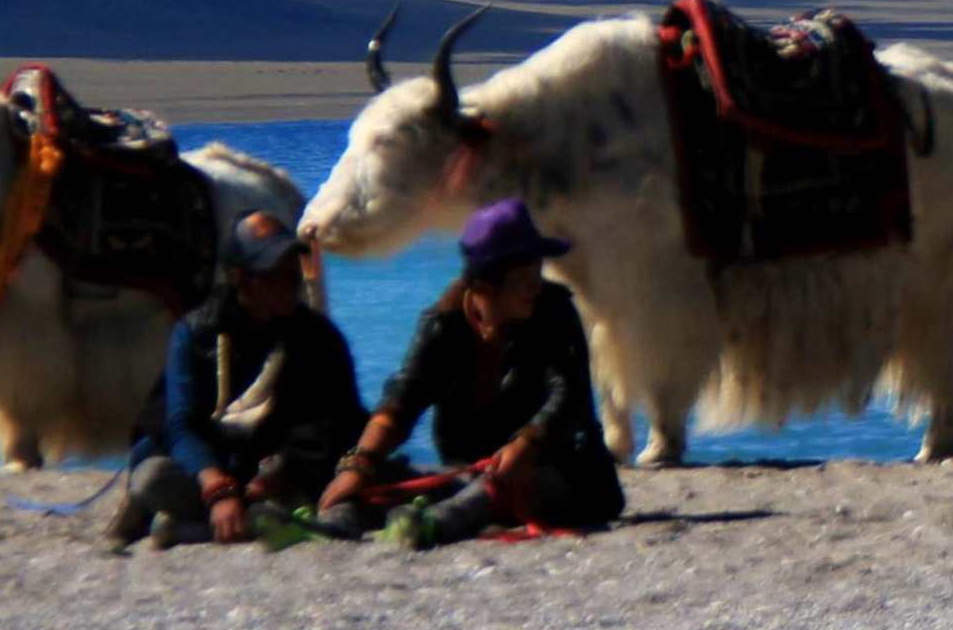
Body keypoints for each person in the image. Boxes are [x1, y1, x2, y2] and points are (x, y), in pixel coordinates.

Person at [318, 200, 625, 547]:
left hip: (563, 474)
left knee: (489, 490)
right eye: (523, 277)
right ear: (483, 287)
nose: (535, 285)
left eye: (537, 271)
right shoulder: (441, 325)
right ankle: (336, 520)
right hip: (468, 470)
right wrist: (360, 464)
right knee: (378, 479)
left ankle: (430, 527)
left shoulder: (555, 312)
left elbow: (569, 396)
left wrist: (527, 444)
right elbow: (401, 403)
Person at [110, 211, 367, 548]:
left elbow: (335, 424)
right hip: (214, 468)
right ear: (241, 279)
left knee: (324, 497)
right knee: (150, 479)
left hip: (281, 475)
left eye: (293, 273)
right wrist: (217, 487)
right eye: (275, 275)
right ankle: (215, 518)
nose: (290, 284)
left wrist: (283, 470)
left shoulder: (320, 339)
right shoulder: (195, 333)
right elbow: (180, 425)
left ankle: (185, 526)